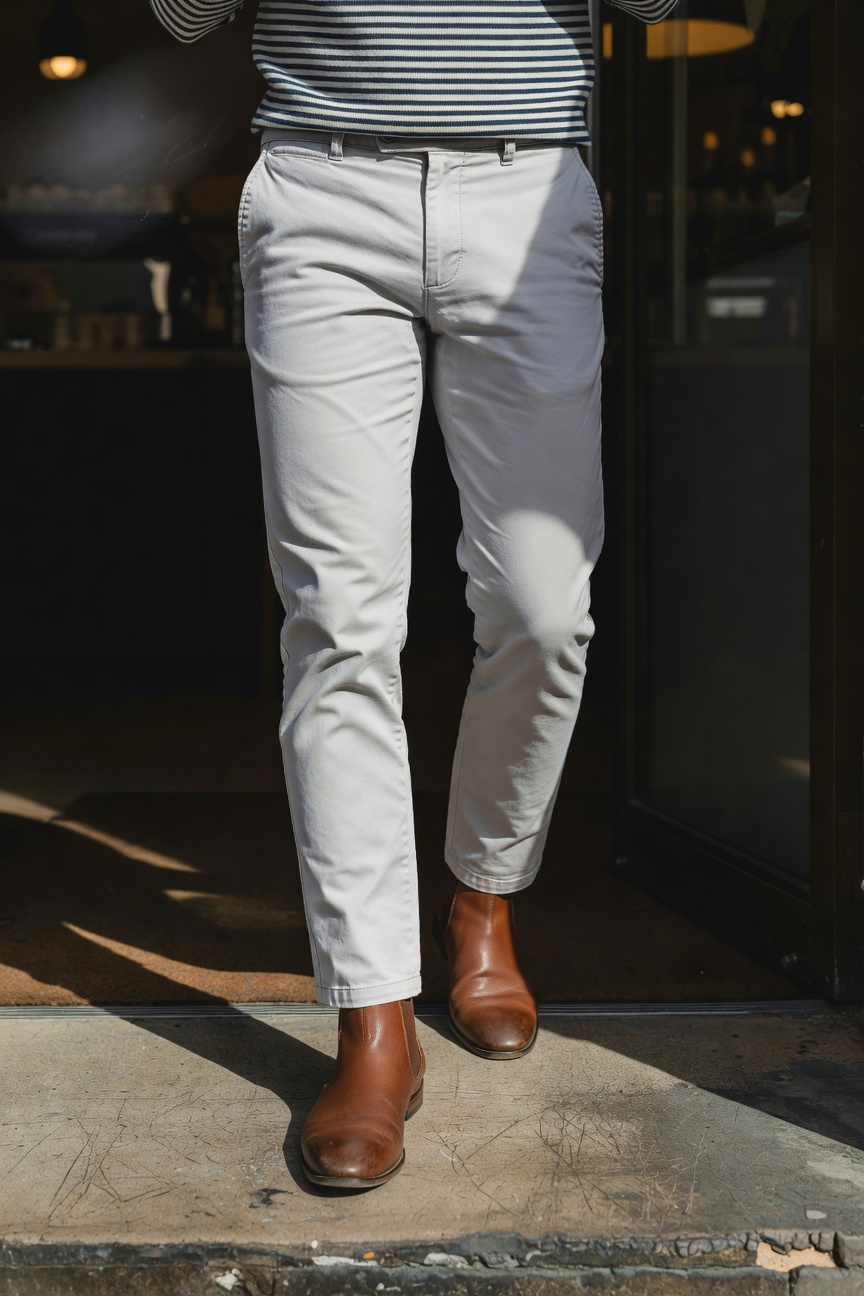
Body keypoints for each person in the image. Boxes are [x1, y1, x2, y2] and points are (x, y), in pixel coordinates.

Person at [150, 0, 678, 1190]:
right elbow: (181, 12)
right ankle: (372, 1018)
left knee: (546, 611)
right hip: (324, 190)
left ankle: (481, 901)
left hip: (528, 190)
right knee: (339, 624)